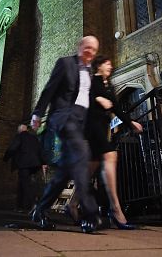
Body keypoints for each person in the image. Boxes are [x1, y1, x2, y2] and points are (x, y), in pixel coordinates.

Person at [30, 35, 101, 233]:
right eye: (87, 47)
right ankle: (90, 213)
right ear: (80, 46)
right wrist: (37, 113)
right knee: (82, 154)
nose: (90, 52)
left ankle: (40, 209)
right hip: (63, 116)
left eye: (93, 50)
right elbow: (49, 90)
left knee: (65, 171)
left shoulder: (90, 70)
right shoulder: (65, 63)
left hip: (80, 122)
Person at [84, 55, 143, 230]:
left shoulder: (109, 86)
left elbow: (116, 108)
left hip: (102, 128)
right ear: (98, 66)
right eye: (107, 63)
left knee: (88, 173)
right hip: (92, 127)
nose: (110, 66)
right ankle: (116, 210)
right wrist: (96, 99)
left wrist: (130, 122)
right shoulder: (91, 81)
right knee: (111, 155)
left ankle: (71, 205)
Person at [3, 123, 46, 213]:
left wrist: (5, 158)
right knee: (27, 184)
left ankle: (32, 205)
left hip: (24, 164)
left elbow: (13, 148)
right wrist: (43, 163)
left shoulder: (19, 136)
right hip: (35, 164)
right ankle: (21, 206)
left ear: (20, 130)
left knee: (25, 184)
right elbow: (40, 150)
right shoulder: (34, 138)